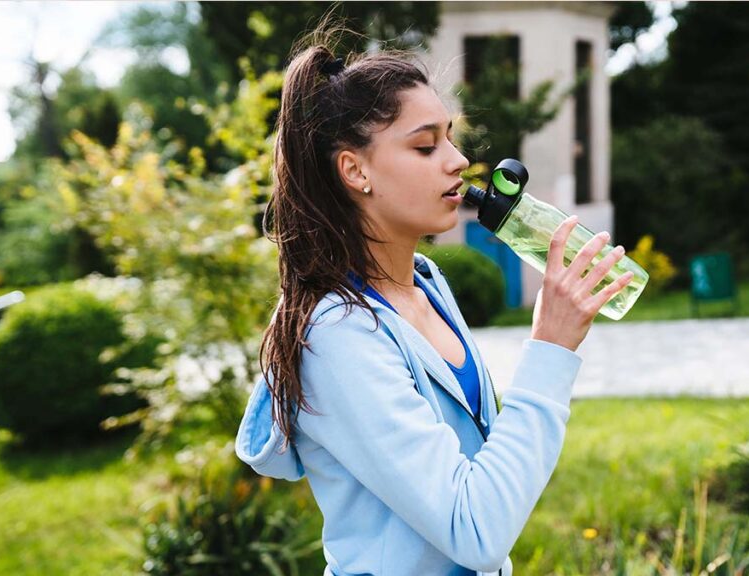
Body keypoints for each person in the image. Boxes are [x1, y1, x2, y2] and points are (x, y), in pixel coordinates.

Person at [236, 27, 634, 576]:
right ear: (355, 171)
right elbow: (474, 532)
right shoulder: (338, 336)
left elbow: (485, 480)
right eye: (425, 146)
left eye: (450, 138)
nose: (457, 160)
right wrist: (549, 348)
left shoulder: (426, 284)